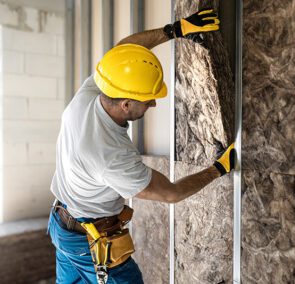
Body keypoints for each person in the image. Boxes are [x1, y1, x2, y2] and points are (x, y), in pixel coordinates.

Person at [47, 8, 236, 284]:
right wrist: (217, 169)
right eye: (148, 99)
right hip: (90, 242)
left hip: (62, 226)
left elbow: (125, 51)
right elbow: (170, 193)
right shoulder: (111, 155)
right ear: (126, 105)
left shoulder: (93, 92)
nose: (153, 103)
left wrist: (177, 29)